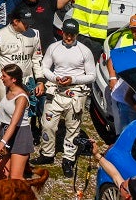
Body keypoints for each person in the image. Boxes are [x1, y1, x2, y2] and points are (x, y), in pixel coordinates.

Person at [38, 18, 96, 178]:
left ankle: (68, 159)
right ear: (61, 32)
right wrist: (54, 78)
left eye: (72, 35)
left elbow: (92, 75)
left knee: (73, 128)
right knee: (48, 124)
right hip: (56, 90)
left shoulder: (85, 51)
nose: (69, 38)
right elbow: (44, 67)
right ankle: (47, 154)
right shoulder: (53, 47)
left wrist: (74, 79)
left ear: (77, 34)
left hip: (75, 93)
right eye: (66, 34)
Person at [0, 63, 32, 179]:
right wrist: (0, 134)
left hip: (20, 135)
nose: (1, 78)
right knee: (1, 174)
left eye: (4, 76)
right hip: (5, 133)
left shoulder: (21, 97)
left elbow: (14, 122)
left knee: (15, 178)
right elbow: (4, 117)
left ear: (13, 79)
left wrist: (2, 142)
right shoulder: (8, 89)